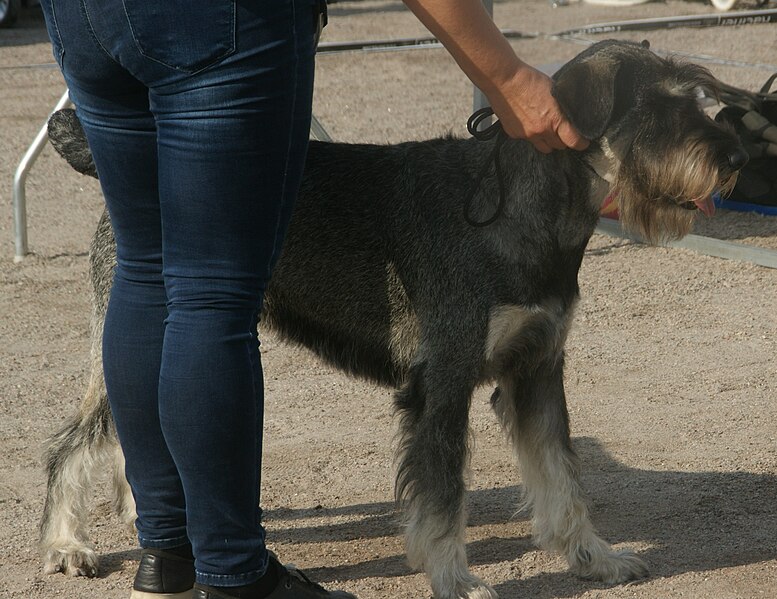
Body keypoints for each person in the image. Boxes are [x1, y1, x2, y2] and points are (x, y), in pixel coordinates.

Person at [39, 1, 587, 598]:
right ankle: (232, 574)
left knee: (145, 270)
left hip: (84, 17)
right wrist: (505, 75)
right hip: (211, 18)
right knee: (209, 295)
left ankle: (168, 553)